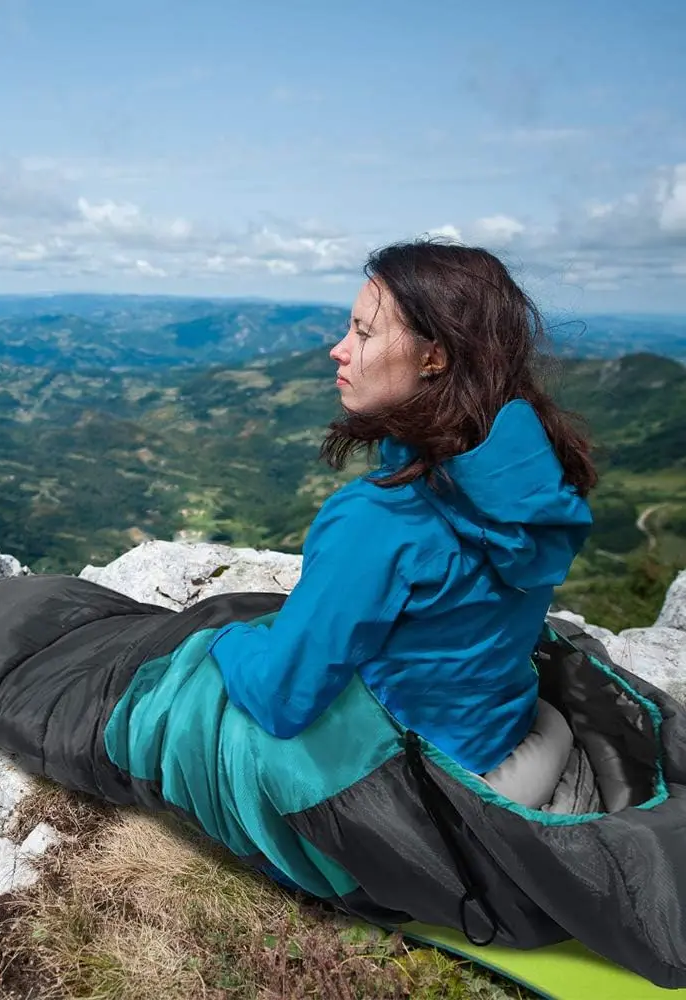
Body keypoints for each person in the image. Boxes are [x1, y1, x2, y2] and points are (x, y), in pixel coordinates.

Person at [207, 238, 597, 781]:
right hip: (494, 743)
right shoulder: (532, 484)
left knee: (180, 680)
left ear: (433, 356)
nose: (338, 350)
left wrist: (224, 640)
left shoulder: (377, 519)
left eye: (363, 333)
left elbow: (281, 702)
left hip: (409, 780)